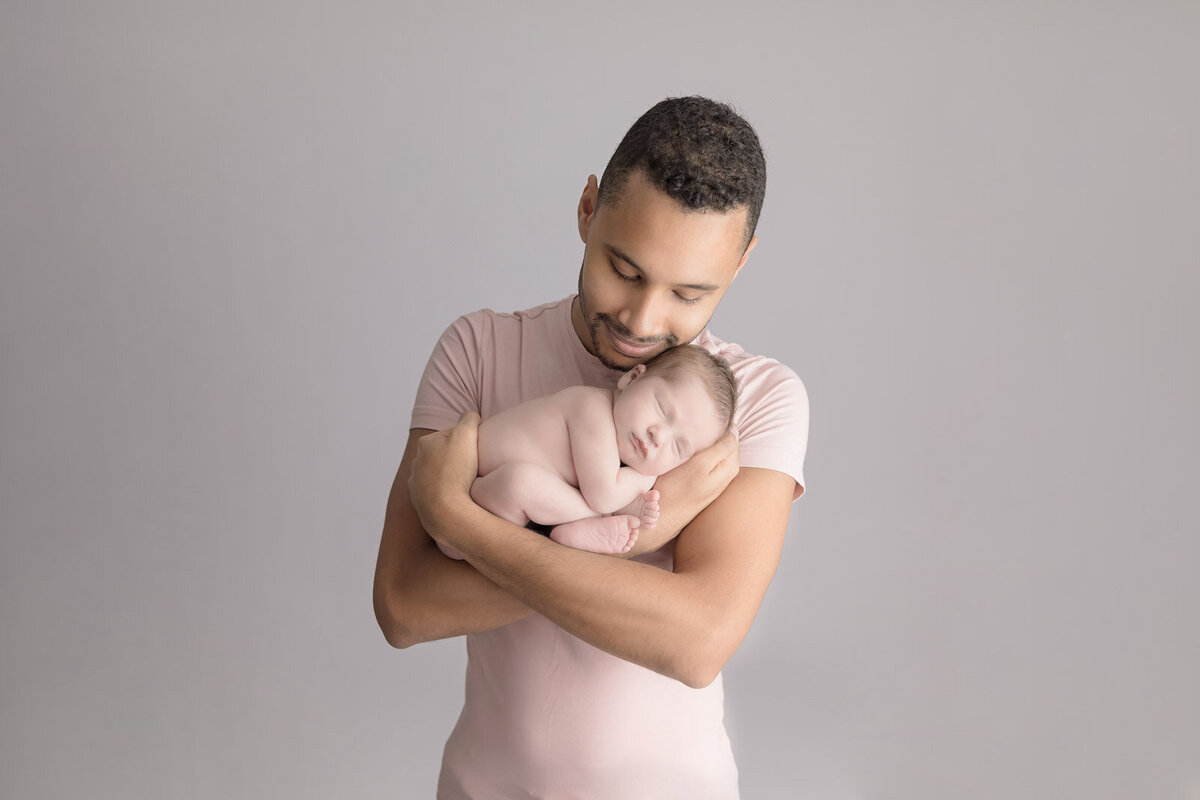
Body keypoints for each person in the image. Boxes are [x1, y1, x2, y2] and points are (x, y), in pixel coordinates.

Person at [374, 96, 809, 799]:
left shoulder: (757, 401)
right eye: (625, 270)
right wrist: (654, 528)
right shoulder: (480, 351)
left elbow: (694, 643)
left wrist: (457, 520)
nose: (642, 318)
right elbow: (404, 606)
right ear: (587, 209)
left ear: (741, 261)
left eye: (689, 293)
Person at [437, 344, 737, 560]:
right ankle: (586, 527)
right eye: (661, 409)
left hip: (500, 525)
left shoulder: (617, 444)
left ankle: (571, 532)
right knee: (520, 482)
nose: (658, 435)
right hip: (472, 499)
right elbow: (603, 495)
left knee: (525, 485)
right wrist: (641, 480)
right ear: (631, 378)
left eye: (678, 447)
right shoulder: (592, 410)